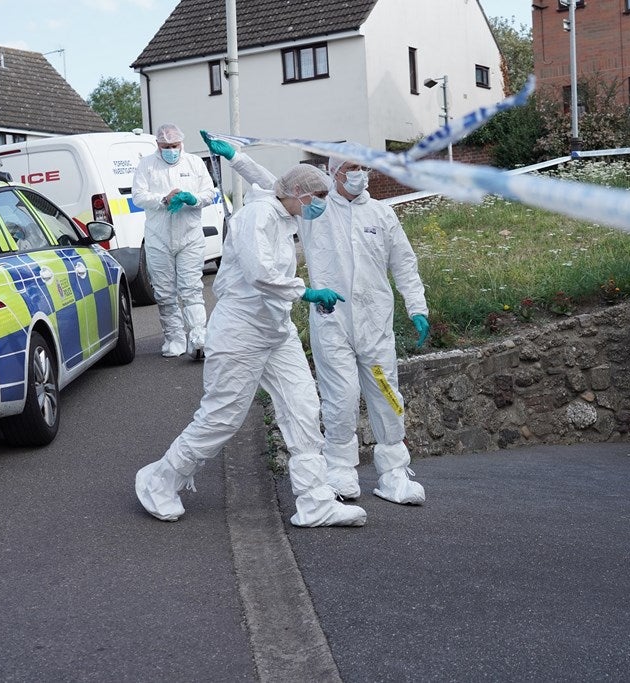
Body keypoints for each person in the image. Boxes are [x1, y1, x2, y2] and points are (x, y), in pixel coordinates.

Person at [202, 132, 429, 506]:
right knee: (340, 397)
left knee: (387, 394)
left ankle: (393, 472)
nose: (361, 174)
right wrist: (236, 158)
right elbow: (274, 184)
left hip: (375, 323)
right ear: (335, 173)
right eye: (353, 168)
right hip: (332, 320)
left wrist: (417, 307)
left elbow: (404, 263)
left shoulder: (382, 214)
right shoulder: (315, 209)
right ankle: (340, 469)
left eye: (364, 168)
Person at [135, 163, 367, 528]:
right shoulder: (257, 215)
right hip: (239, 330)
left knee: (303, 408)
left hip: (276, 329)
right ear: (298, 193)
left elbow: (275, 276)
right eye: (319, 196)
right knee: (221, 417)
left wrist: (301, 295)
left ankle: (315, 501)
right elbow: (261, 273)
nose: (323, 203)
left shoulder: (286, 217)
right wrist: (306, 291)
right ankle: (159, 480)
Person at [132, 123, 216, 360]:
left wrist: (192, 198)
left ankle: (199, 337)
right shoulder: (147, 165)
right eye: (165, 146)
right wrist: (163, 199)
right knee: (164, 292)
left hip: (189, 235)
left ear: (182, 144)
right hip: (158, 238)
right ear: (157, 145)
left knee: (191, 289)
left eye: (174, 146)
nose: (170, 150)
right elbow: (138, 196)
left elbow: (210, 193)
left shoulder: (194, 163)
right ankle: (174, 338)